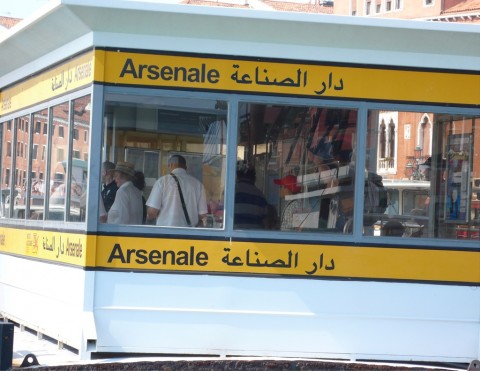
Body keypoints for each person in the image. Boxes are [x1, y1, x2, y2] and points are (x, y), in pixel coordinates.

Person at [146, 154, 208, 227]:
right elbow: (203, 215)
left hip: (165, 233)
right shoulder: (198, 185)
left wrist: (148, 219)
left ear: (171, 165)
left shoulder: (162, 182)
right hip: (188, 234)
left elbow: (152, 212)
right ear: (185, 167)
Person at [234, 161, 268, 229]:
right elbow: (265, 220)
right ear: (253, 177)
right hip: (255, 236)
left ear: (237, 175)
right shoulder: (260, 195)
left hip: (234, 235)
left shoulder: (230, 192)